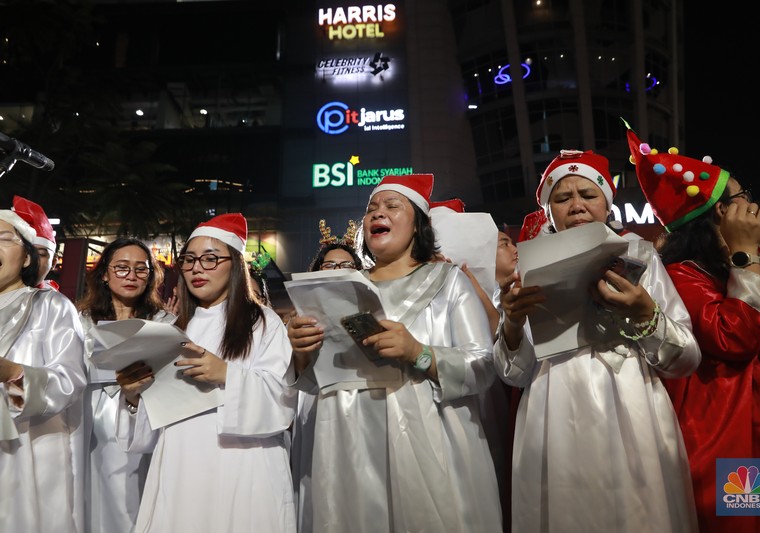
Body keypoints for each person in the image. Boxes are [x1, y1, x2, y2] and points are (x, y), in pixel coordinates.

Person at [494, 150, 701, 533]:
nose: (576, 206)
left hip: (630, 402)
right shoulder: (524, 270)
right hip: (551, 406)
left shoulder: (640, 256)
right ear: (550, 211)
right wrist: (511, 324)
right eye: (563, 197)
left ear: (607, 203)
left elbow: (686, 358)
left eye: (587, 195)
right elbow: (514, 375)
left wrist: (645, 313)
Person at [287, 174, 503, 532]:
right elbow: (313, 382)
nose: (377, 214)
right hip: (347, 440)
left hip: (427, 440)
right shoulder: (339, 289)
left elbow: (482, 364)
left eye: (391, 206)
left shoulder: (448, 281)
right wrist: (301, 353)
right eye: (371, 208)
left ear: (418, 224)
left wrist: (418, 352)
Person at [627, 126, 760, 531]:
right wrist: (743, 254)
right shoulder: (682, 274)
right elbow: (734, 338)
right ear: (722, 212)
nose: (751, 204)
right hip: (741, 435)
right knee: (751, 521)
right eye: (742, 197)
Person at [116, 213, 297, 532]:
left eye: (210, 259)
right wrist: (133, 396)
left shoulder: (262, 323)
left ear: (235, 264)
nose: (197, 268)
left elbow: (282, 401)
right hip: (179, 461)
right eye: (189, 260)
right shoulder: (170, 330)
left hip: (241, 463)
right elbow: (153, 423)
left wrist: (226, 373)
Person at [77, 237, 174, 533]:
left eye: (140, 269)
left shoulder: (166, 323)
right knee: (90, 497)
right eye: (121, 268)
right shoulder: (80, 322)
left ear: (151, 277)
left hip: (146, 421)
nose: (131, 276)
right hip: (89, 421)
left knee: (137, 497)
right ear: (104, 273)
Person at [0, 209, 86, 533]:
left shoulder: (51, 306)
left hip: (24, 449)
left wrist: (13, 374)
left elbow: (71, 379)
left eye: (4, 239)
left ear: (26, 257)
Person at [292, 218, 363, 533]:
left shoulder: (372, 311)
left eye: (345, 266)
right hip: (316, 409)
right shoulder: (298, 319)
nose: (336, 271)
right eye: (329, 265)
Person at [12, 195, 59, 289]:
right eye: (23, 252)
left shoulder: (54, 302)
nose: (29, 260)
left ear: (53, 262)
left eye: (40, 253)